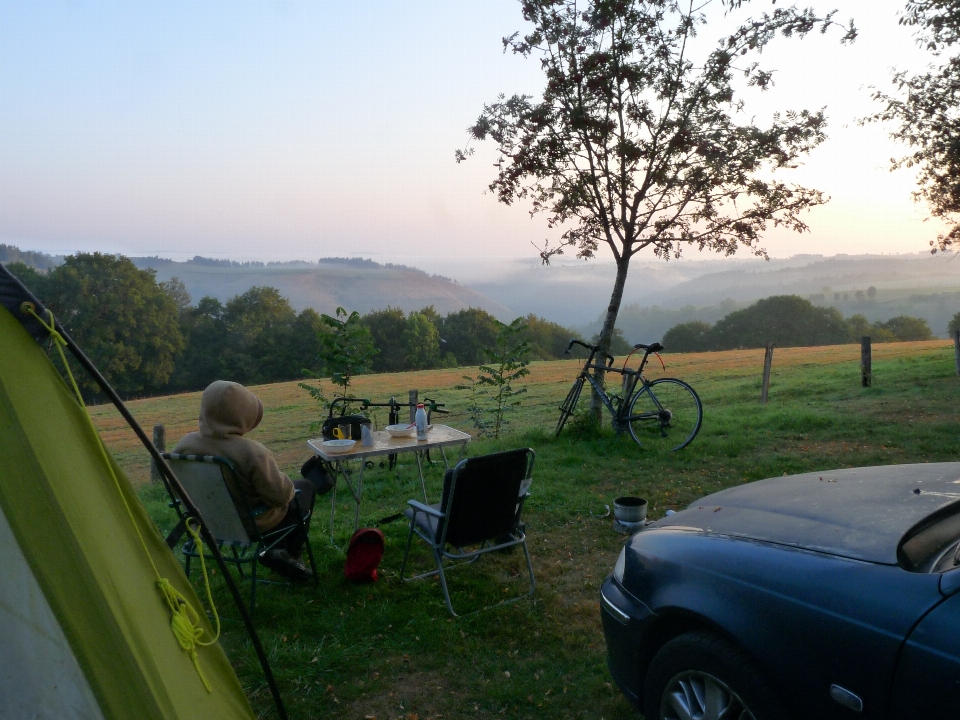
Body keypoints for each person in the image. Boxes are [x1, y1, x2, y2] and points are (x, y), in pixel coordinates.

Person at [174, 380, 315, 582]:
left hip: (205, 523)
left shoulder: (184, 445)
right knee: (304, 488)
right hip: (250, 526)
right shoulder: (251, 452)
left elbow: (179, 486)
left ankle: (279, 553)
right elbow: (280, 496)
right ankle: (285, 552)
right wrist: (284, 480)